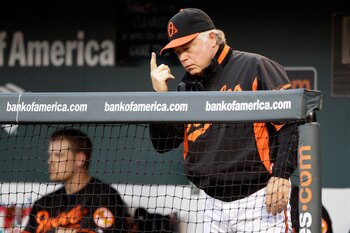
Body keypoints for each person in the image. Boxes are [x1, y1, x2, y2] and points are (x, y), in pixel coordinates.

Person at [149, 8, 299, 232]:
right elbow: (163, 144)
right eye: (178, 52)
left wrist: (281, 176)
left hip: (257, 199)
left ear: (212, 38)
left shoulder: (255, 66)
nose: (183, 57)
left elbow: (288, 124)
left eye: (188, 47)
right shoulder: (187, 87)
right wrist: (161, 98)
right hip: (210, 203)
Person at [23, 128, 134, 233]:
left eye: (58, 155)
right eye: (50, 155)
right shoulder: (44, 203)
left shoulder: (105, 197)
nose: (50, 161)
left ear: (79, 159)